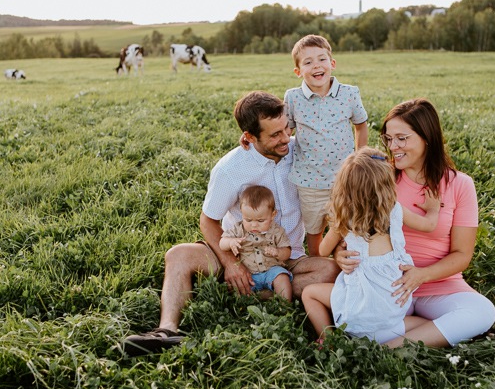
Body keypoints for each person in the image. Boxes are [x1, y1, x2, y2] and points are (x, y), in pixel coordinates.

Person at [122, 90, 340, 356]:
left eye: (286, 129)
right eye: (275, 135)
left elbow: (338, 148)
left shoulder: (300, 152)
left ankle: (244, 293)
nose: (286, 139)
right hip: (241, 250)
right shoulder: (231, 168)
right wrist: (232, 264)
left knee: (330, 271)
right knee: (178, 255)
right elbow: (208, 220)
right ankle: (166, 330)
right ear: (249, 137)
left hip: (288, 256)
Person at [334, 98, 495, 348]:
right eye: (389, 139)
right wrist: (340, 254)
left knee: (483, 311)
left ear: (426, 138)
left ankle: (390, 347)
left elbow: (462, 255)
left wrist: (421, 275)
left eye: (402, 138)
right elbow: (348, 227)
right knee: (313, 278)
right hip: (383, 286)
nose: (393, 146)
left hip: (437, 286)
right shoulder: (379, 178)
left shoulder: (460, 184)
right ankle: (420, 331)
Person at [302, 147, 440, 344]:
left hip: (355, 314)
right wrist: (433, 209)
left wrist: (335, 237)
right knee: (425, 323)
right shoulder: (396, 210)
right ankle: (387, 336)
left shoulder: (345, 220)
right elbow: (429, 225)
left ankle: (328, 339)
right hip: (394, 309)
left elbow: (322, 251)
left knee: (310, 293)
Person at [283, 34, 369, 256]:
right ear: (298, 71)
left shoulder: (349, 93)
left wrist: (360, 160)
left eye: (321, 59)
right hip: (308, 182)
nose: (316, 66)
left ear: (332, 63)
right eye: (308, 62)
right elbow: (285, 129)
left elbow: (360, 125)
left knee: (347, 228)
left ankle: (345, 267)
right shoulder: (293, 98)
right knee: (314, 231)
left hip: (344, 180)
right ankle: (317, 264)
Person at [219, 185, 293, 301]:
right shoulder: (239, 229)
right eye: (248, 220)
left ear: (273, 215)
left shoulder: (276, 231)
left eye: (260, 221)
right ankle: (248, 304)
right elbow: (222, 243)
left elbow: (287, 252)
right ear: (242, 213)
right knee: (237, 287)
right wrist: (230, 242)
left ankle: (285, 306)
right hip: (248, 273)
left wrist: (278, 252)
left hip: (272, 270)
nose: (254, 225)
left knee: (282, 278)